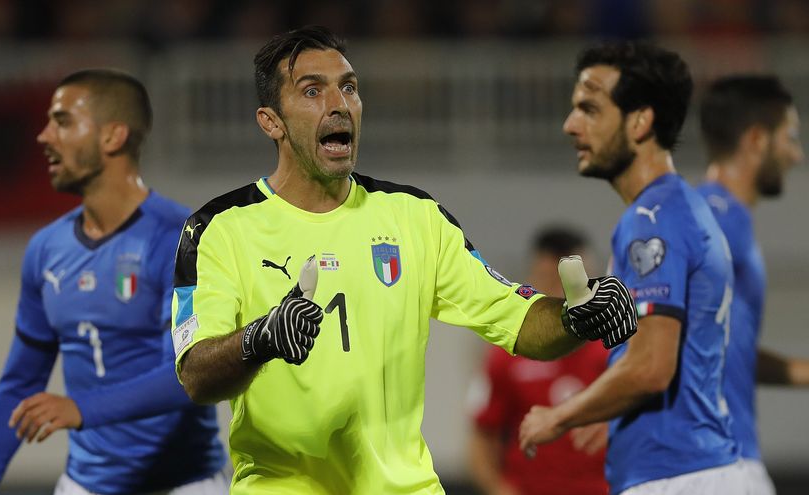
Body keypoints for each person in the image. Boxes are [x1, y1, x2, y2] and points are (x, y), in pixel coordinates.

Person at [170, 26, 636, 495]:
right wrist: (260, 339)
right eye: (312, 91)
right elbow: (195, 374)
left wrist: (576, 317)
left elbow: (518, 318)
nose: (338, 104)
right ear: (271, 122)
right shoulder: (217, 229)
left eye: (348, 87)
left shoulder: (416, 217)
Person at [0, 69, 227, 495]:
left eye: (62, 121)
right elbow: (20, 383)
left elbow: (189, 375)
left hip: (183, 484)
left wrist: (81, 408)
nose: (44, 136)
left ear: (112, 136)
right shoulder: (46, 250)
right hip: (85, 485)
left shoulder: (179, 239)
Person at [519, 41, 745, 494]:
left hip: (676, 476)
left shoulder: (651, 221)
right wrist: (610, 408)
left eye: (590, 109)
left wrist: (559, 416)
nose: (570, 124)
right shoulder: (676, 209)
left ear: (640, 122)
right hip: (690, 467)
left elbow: (650, 368)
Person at [697, 74, 807, 495]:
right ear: (758, 139)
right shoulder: (716, 220)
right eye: (790, 138)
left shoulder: (720, 217)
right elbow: (656, 326)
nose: (796, 155)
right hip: (718, 465)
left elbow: (719, 347)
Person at [468, 226, 609, 495]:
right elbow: (481, 437)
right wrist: (501, 490)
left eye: (575, 283)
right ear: (532, 282)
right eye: (551, 280)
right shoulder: (506, 353)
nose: (563, 293)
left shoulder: (616, 348)